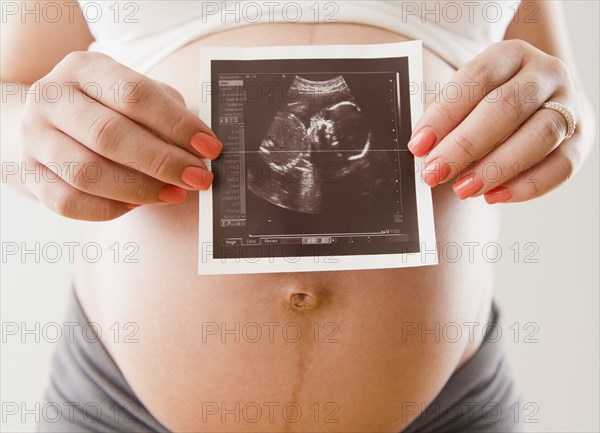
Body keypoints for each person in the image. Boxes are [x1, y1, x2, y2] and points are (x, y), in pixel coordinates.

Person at [1, 1, 595, 432]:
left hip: (448, 404)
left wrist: (560, 118)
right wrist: (28, 134)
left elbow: (556, 85)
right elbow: (11, 92)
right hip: (119, 404)